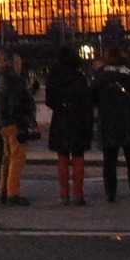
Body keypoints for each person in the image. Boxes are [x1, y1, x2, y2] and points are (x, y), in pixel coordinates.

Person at [91, 49, 130, 203]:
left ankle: (110, 193)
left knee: (109, 161)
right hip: (129, 121)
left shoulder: (100, 77)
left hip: (108, 121)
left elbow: (92, 98)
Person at [45, 48, 94, 206]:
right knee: (78, 157)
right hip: (78, 119)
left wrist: (61, 106)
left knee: (62, 157)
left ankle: (64, 194)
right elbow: (86, 100)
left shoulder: (54, 76)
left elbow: (49, 100)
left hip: (61, 119)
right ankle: (78, 194)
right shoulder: (79, 77)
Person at [0, 50, 34, 206]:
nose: (20, 65)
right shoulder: (14, 80)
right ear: (11, 63)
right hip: (14, 123)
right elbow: (16, 104)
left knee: (7, 158)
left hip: (2, 122)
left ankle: (3, 189)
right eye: (18, 62)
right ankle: (12, 193)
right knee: (17, 159)